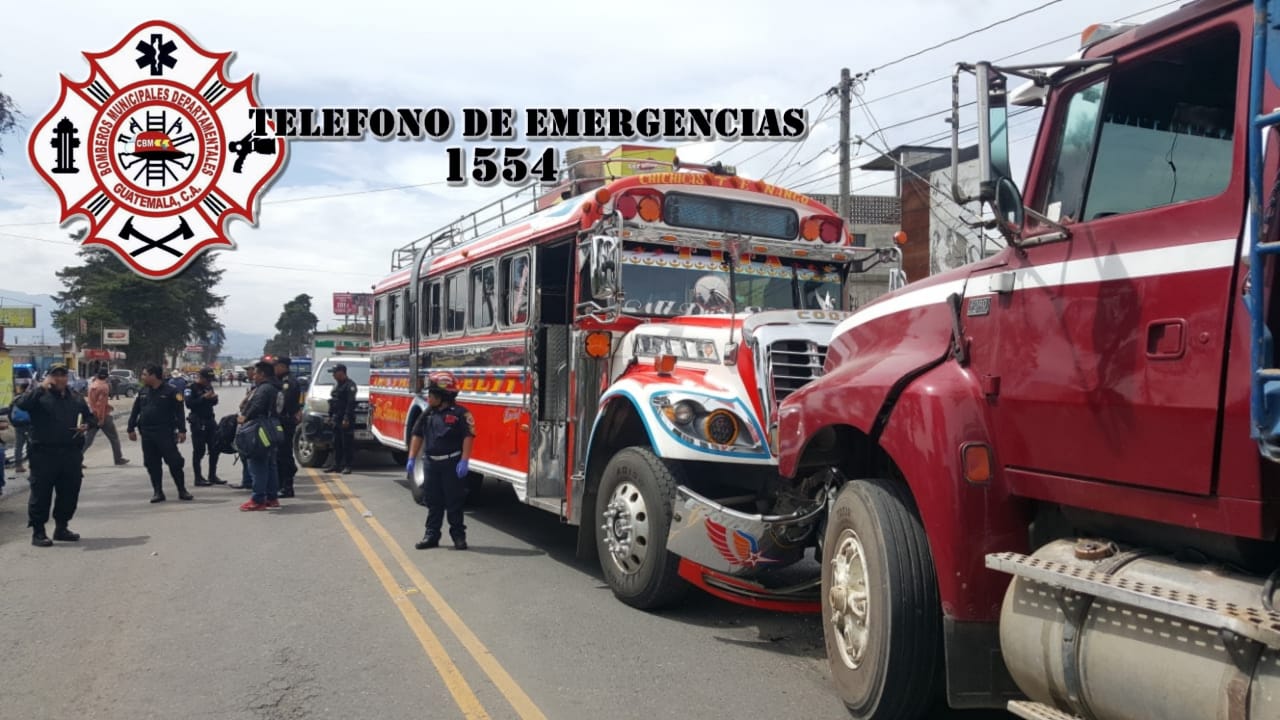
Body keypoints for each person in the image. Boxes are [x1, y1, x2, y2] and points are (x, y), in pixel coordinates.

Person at [15, 364, 96, 547]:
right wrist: (41, 387)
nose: (60, 379)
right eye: (55, 375)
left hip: (70, 453)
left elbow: (91, 417)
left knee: (69, 492)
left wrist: (87, 425)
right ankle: (38, 532)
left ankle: (61, 527)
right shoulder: (39, 396)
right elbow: (22, 404)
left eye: (63, 375)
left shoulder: (75, 397)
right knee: (41, 493)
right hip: (44, 454)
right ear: (49, 377)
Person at [408, 372, 475, 551]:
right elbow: (417, 434)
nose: (428, 398)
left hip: (451, 464)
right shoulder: (428, 413)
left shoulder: (461, 414)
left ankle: (458, 537)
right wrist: (411, 458)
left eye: (431, 394)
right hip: (431, 464)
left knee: (454, 502)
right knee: (433, 502)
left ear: (442, 396)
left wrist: (464, 460)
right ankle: (431, 536)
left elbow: (468, 437)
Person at [128, 364, 192, 503]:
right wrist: (130, 428)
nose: (142, 377)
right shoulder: (143, 391)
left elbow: (179, 412)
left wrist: (182, 430)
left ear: (153, 376)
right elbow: (135, 410)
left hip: (165, 433)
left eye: (145, 374)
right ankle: (158, 492)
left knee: (175, 462)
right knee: (152, 463)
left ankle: (182, 490)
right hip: (147, 433)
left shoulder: (172, 391)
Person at [238, 361, 281, 511]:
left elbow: (257, 406)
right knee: (270, 464)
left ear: (262, 374)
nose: (254, 376)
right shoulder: (275, 387)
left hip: (260, 430)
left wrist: (245, 417)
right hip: (272, 428)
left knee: (258, 463)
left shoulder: (264, 389)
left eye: (256, 373)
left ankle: (258, 499)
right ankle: (272, 497)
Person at [185, 367, 224, 486]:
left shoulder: (208, 387)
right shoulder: (190, 388)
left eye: (211, 380)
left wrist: (214, 399)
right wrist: (203, 398)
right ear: (201, 377)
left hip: (210, 420)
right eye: (208, 379)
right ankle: (198, 478)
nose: (209, 382)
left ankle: (212, 475)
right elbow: (189, 404)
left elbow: (213, 403)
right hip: (198, 421)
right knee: (199, 450)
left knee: (215, 448)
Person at [83, 367, 130, 466]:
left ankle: (77, 458)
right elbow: (101, 404)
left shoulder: (93, 384)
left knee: (88, 440)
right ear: (107, 376)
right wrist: (101, 419)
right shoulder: (104, 387)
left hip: (92, 414)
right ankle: (118, 458)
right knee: (114, 438)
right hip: (102, 415)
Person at [272, 355, 301, 497]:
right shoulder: (280, 380)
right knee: (279, 454)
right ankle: (280, 484)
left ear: (283, 366)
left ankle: (287, 487)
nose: (274, 369)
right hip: (281, 421)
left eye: (276, 366)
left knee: (284, 454)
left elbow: (283, 403)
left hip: (285, 422)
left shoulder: (288, 382)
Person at [326, 363, 358, 475]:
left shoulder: (350, 385)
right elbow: (333, 401)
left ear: (341, 373)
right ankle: (336, 465)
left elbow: (350, 403)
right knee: (336, 443)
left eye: (334, 373)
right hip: (336, 417)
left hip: (345, 418)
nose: (333, 375)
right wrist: (330, 416)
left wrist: (346, 418)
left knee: (346, 443)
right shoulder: (337, 385)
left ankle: (348, 465)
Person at [9, 379, 31, 474]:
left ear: (21, 388)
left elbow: (10, 412)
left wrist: (13, 423)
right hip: (29, 424)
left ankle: (18, 465)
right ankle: (32, 464)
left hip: (18, 425)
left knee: (19, 445)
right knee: (30, 445)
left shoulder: (16, 399)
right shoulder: (30, 398)